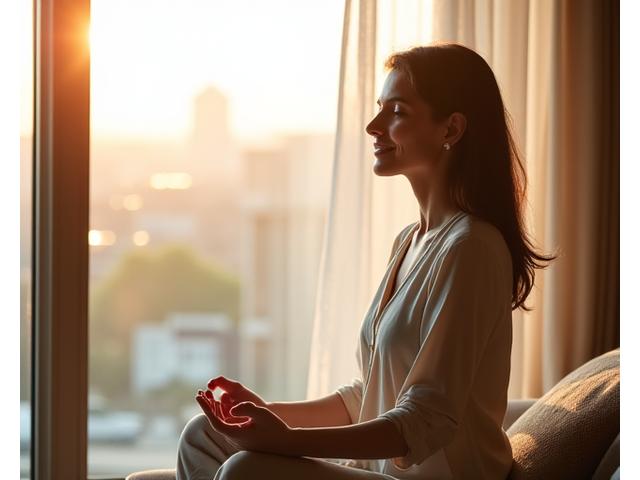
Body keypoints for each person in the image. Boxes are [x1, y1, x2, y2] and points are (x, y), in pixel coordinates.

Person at [175, 42, 556, 480]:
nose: (374, 126)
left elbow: (424, 419)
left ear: (451, 129)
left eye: (396, 112)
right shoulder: (410, 242)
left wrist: (287, 440)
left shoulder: (473, 248)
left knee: (247, 470)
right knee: (203, 434)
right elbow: (369, 394)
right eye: (379, 107)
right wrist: (263, 414)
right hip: (378, 472)